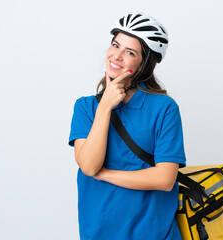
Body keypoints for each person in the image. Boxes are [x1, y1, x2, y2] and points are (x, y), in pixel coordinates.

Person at [68, 13, 186, 240]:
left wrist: (106, 175)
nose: (117, 56)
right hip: (99, 233)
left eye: (130, 52)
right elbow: (90, 167)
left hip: (155, 234)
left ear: (144, 64)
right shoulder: (85, 107)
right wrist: (105, 107)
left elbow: (165, 179)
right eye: (115, 45)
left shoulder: (164, 108)